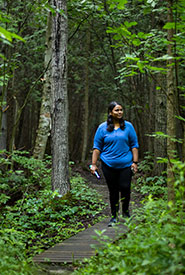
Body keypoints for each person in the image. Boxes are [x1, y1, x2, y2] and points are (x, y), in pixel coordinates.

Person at [90, 101, 139, 227]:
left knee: (125, 188)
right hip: (108, 164)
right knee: (113, 190)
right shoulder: (102, 128)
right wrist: (93, 164)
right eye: (117, 110)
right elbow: (97, 147)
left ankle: (126, 213)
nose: (120, 112)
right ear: (111, 112)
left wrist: (135, 162)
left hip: (125, 164)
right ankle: (114, 216)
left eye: (121, 110)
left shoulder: (128, 126)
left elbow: (134, 145)